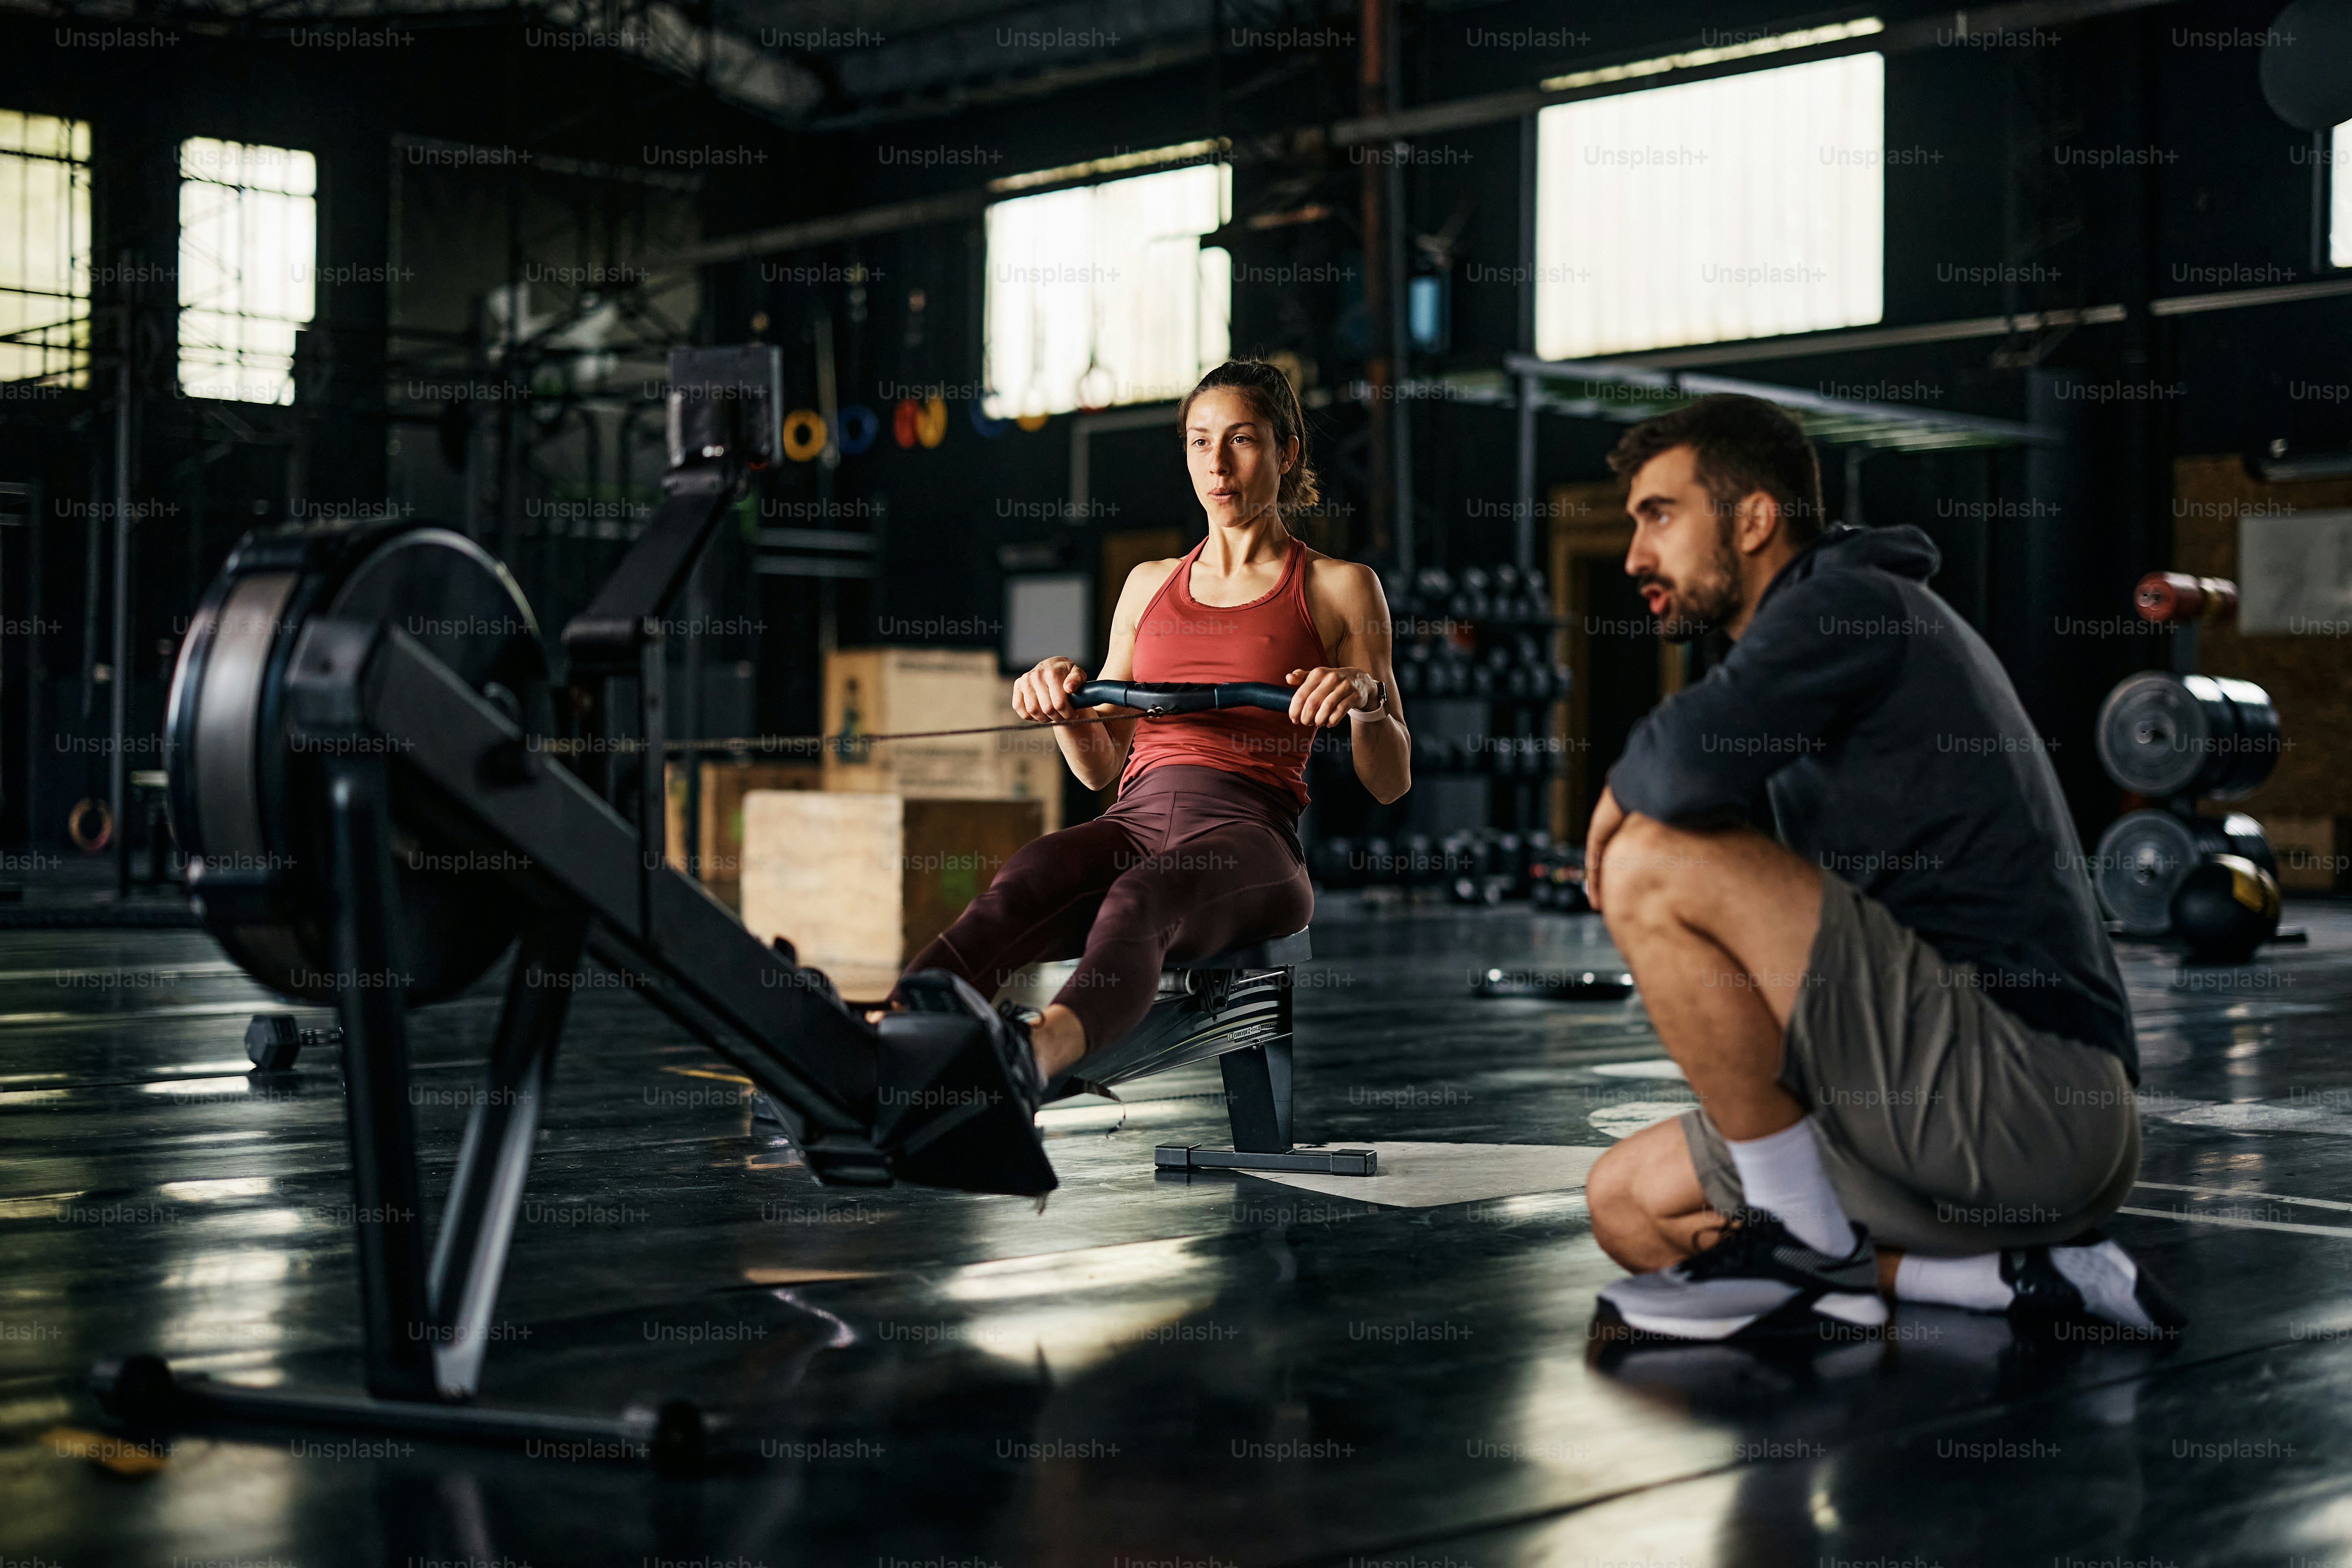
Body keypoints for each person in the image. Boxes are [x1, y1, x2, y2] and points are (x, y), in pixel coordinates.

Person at [1579, 393, 2180, 1341]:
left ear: (1754, 517)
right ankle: (2010, 1279)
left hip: (2027, 1099)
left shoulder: (1850, 604)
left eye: (1659, 515)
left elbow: (1675, 769)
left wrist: (1618, 795)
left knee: (1652, 858)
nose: (1634, 556)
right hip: (1949, 1115)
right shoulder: (1814, 643)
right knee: (1627, 1204)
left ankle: (1802, 1245)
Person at [893, 359, 1411, 1094]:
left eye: (1241, 440)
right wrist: (1065, 710)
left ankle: (1031, 1060)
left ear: (1287, 451)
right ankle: (889, 1041)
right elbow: (1101, 766)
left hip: (1250, 837)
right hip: (1134, 818)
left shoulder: (1339, 586)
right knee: (1027, 877)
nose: (1217, 464)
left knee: (1143, 897)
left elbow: (1390, 782)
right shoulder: (1148, 584)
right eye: (1200, 442)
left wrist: (1366, 700)